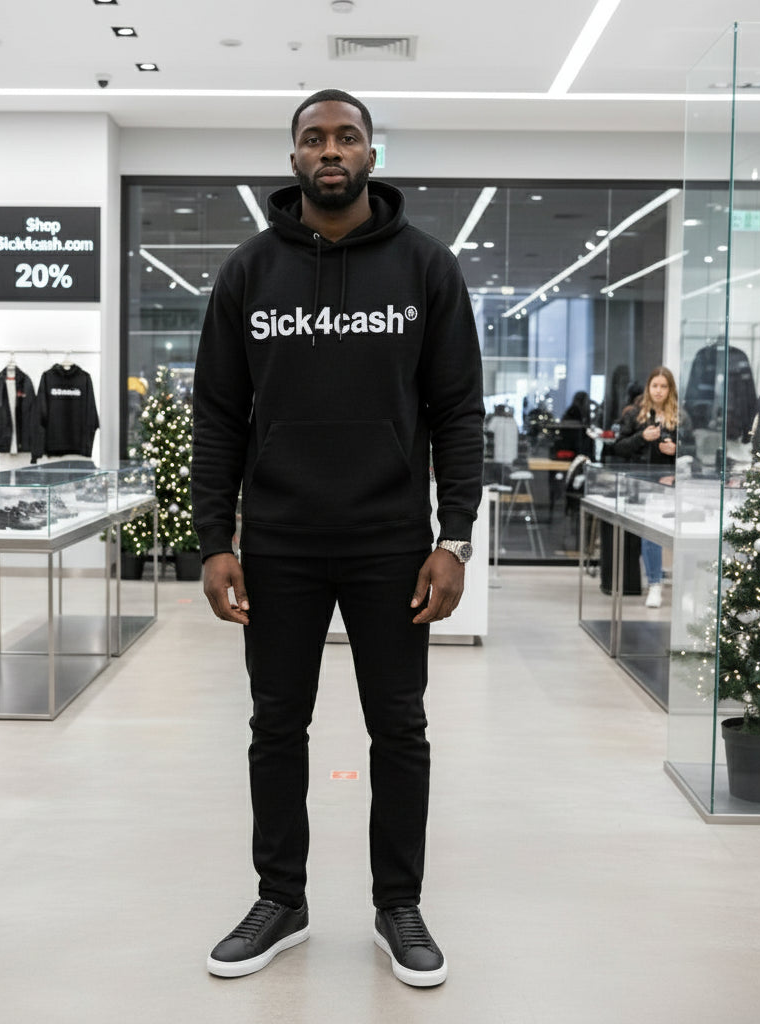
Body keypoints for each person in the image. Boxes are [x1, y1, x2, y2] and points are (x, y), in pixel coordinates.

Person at [191, 88, 484, 988]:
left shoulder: (427, 269)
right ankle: (281, 898)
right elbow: (217, 416)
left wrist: (455, 536)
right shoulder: (248, 273)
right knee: (276, 724)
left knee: (399, 726)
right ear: (292, 159)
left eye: (346, 136)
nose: (330, 150)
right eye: (313, 138)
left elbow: (456, 410)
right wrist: (214, 541)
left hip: (392, 540)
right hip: (278, 539)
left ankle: (398, 905)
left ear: (371, 154)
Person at [612, 366, 693, 608]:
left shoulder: (680, 416)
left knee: (680, 535)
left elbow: (695, 451)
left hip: (671, 484)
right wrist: (641, 438)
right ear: (648, 387)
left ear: (670, 390)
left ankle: (684, 587)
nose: (659, 391)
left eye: (663, 386)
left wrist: (677, 450)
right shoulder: (634, 414)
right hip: (642, 485)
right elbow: (618, 447)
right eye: (655, 386)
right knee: (650, 536)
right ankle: (654, 584)